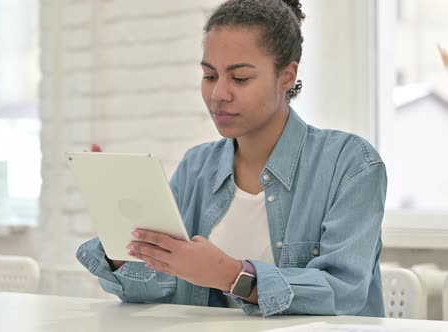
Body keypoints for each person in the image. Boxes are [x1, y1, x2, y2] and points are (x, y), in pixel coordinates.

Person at [76, 0, 387, 317]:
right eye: (210, 76)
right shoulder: (196, 167)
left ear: (287, 76)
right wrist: (126, 247)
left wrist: (232, 275)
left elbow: (344, 291)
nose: (218, 94)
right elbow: (158, 286)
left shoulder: (351, 164)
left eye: (240, 78)